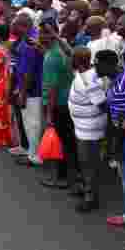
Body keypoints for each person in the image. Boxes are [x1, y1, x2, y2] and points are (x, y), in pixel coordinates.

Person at [101, 49, 125, 228]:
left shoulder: (123, 87)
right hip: (123, 131)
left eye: (98, 64)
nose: (95, 67)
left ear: (109, 65)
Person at [40, 19, 77, 189]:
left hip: (57, 106)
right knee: (68, 142)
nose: (42, 36)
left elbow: (52, 88)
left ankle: (60, 178)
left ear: (54, 34)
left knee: (59, 142)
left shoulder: (52, 57)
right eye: (41, 32)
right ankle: (72, 177)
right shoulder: (63, 51)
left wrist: (48, 114)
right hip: (67, 103)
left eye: (46, 33)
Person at [68, 47, 106, 213]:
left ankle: (90, 197)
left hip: (89, 130)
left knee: (88, 163)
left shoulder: (89, 80)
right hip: (83, 127)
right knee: (86, 162)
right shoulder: (84, 73)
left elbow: (102, 104)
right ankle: (87, 188)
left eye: (72, 57)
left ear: (77, 61)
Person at [13, 13, 44, 167]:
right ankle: (33, 151)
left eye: (15, 26)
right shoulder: (32, 37)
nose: (12, 28)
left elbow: (27, 73)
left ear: (22, 26)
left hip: (32, 91)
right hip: (34, 88)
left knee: (32, 124)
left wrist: (22, 93)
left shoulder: (29, 43)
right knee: (34, 123)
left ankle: (34, 155)